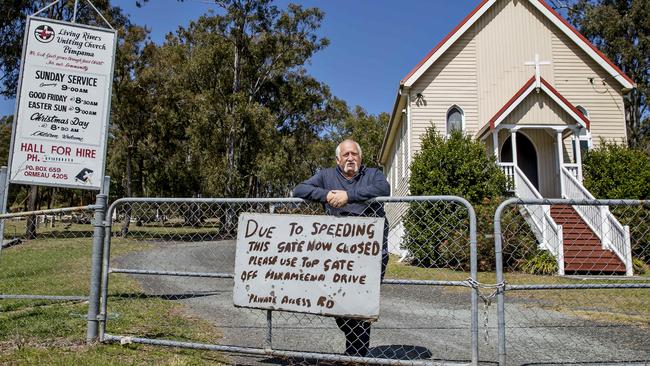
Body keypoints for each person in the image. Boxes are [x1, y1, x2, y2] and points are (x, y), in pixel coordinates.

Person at [293, 139, 390, 357]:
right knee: (336, 302)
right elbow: (299, 189)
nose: (350, 158)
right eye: (345, 155)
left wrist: (348, 196)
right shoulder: (326, 176)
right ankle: (356, 350)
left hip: (370, 252)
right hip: (337, 254)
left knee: (361, 303)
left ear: (360, 157)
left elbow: (384, 188)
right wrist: (327, 195)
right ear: (338, 159)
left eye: (354, 154)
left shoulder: (372, 174)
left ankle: (356, 355)